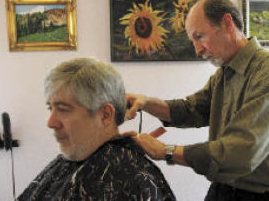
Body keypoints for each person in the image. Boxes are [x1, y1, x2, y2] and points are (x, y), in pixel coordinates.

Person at [125, 0, 269, 201]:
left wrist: (166, 151)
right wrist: (146, 103)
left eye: (199, 36)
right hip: (222, 191)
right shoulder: (225, 73)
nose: (197, 49)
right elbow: (192, 109)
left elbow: (239, 153)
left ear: (227, 23)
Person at [18, 57, 176, 201]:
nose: (51, 122)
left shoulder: (134, 178)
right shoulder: (67, 164)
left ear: (106, 115)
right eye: (50, 108)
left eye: (63, 109)